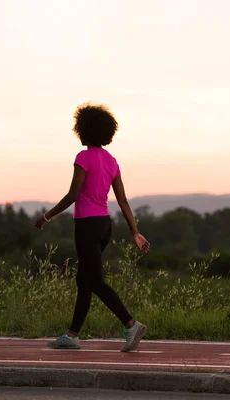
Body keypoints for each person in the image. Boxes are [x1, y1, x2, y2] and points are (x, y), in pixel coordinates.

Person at [34, 103, 150, 352]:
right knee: (84, 280)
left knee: (95, 281)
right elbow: (123, 200)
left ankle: (130, 324)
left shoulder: (83, 158)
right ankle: (72, 334)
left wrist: (47, 216)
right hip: (104, 225)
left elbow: (72, 195)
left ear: (82, 130)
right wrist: (134, 232)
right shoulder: (111, 161)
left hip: (87, 225)